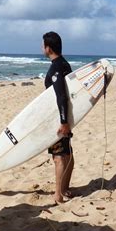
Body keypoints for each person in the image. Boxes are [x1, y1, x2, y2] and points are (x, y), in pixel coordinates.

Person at [42, 31, 74, 204]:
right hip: (66, 115)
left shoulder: (55, 67)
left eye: (43, 45)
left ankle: (58, 195)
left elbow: (61, 95)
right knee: (68, 153)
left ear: (48, 48)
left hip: (59, 118)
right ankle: (65, 188)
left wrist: (63, 122)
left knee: (59, 157)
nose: (42, 48)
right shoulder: (65, 64)